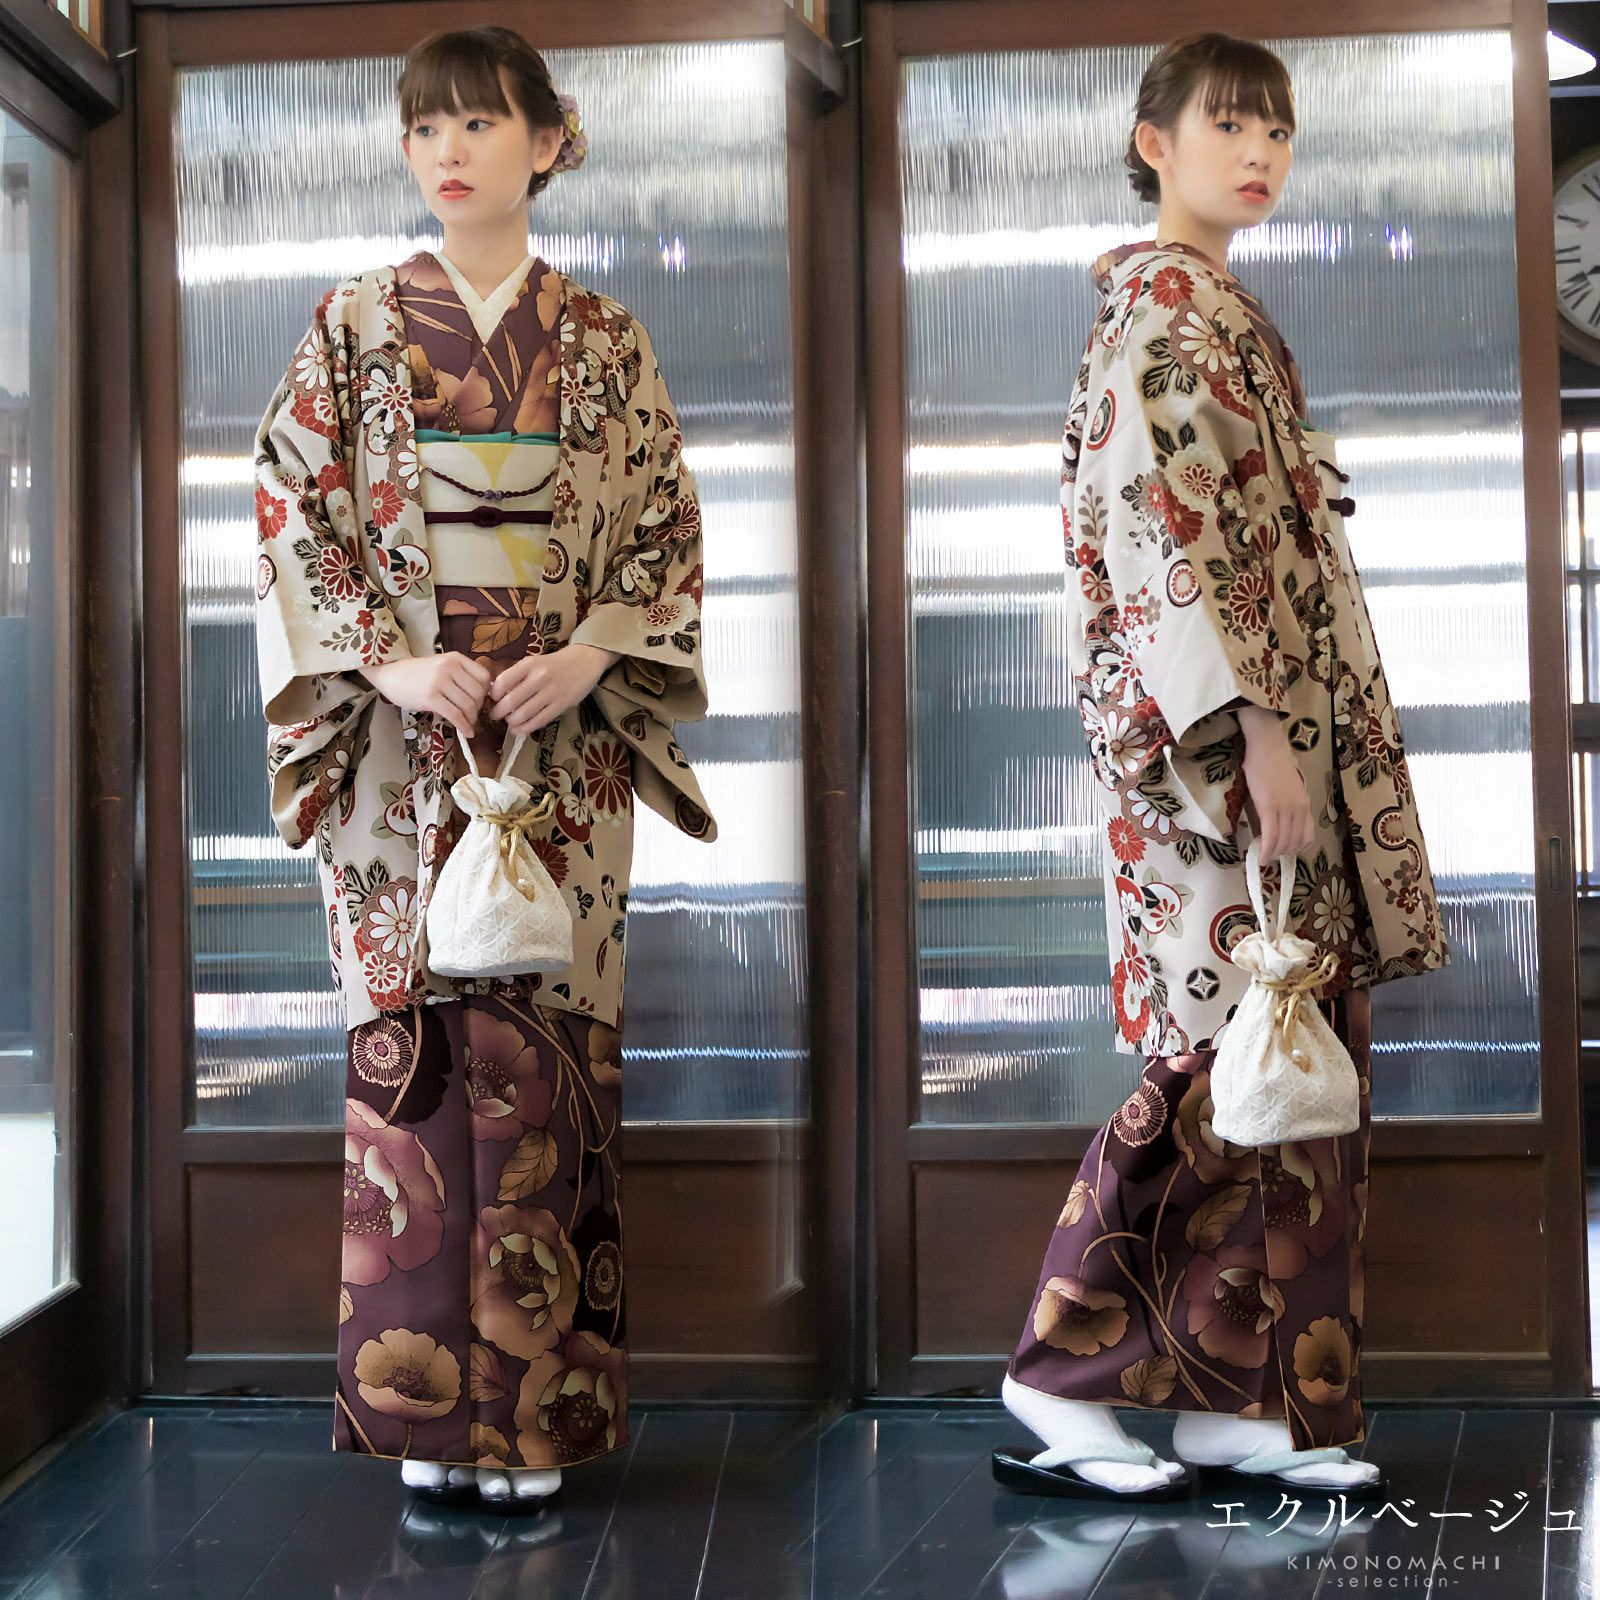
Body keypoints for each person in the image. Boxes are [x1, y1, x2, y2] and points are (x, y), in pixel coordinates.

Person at [251, 26, 716, 1511]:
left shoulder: (607, 338)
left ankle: (537, 1419)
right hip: (402, 756)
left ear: (546, 141)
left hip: (558, 749)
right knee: (415, 1060)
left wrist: (592, 655)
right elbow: (291, 510)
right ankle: (424, 1419)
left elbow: (664, 531)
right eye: (425, 128)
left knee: (547, 1063)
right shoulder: (350, 324)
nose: (447, 151)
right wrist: (389, 662)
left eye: (479, 123)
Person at [992, 32, 1449, 1504]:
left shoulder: (1217, 310)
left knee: (1285, 1063)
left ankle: (1236, 1401)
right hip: (1220, 770)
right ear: (1155, 143)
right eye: (1228, 125)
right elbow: (1167, 541)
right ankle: (1055, 1372)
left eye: (1276, 132)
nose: (1257, 153)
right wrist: (1252, 734)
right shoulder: (1164, 318)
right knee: (1212, 1062)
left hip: (1273, 753)